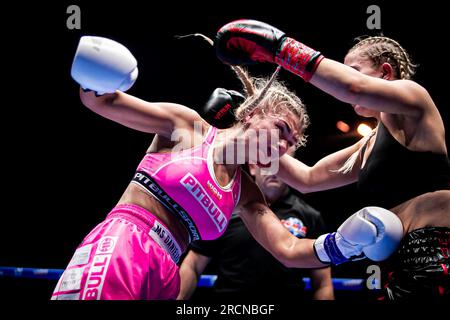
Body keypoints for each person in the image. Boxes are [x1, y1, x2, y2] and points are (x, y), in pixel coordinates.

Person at [51, 35, 403, 300]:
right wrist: (98, 74)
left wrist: (342, 244)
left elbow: (289, 250)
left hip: (167, 271)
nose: (282, 147)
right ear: (252, 113)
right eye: (281, 129)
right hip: (125, 241)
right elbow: (104, 101)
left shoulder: (243, 191)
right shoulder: (188, 127)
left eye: (290, 142)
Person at [213, 19, 450, 300]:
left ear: (385, 72)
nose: (342, 77)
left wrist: (281, 49)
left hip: (437, 250)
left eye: (354, 70)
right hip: (393, 265)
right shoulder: (367, 146)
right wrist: (243, 130)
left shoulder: (415, 101)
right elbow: (307, 178)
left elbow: (353, 88)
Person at [178, 149, 334, 301]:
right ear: (252, 167)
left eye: (280, 165)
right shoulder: (226, 209)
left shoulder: (309, 216)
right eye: (267, 163)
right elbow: (193, 265)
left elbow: (322, 283)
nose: (273, 171)